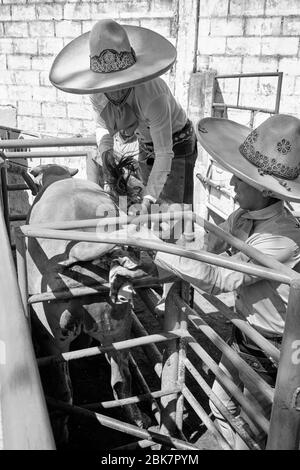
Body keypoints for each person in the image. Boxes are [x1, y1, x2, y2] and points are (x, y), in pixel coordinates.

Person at [110, 113, 300, 449]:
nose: (230, 185)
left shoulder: (282, 239)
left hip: (273, 350)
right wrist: (158, 238)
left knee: (254, 430)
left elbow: (218, 277)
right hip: (246, 334)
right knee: (222, 406)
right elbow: (206, 246)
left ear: (259, 187)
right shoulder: (244, 216)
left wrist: (153, 251)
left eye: (238, 180)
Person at [49, 18, 197, 214]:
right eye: (108, 85)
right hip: (146, 143)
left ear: (131, 75)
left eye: (120, 83)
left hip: (176, 143)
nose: (115, 91)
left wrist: (147, 201)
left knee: (173, 213)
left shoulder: (154, 97)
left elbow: (164, 153)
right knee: (153, 209)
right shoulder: (97, 93)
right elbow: (102, 127)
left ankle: (177, 241)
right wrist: (106, 155)